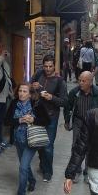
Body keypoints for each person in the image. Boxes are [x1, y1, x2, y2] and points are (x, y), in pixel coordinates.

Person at [5, 81, 50, 195]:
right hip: (18, 140)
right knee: (24, 166)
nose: (21, 93)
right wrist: (19, 120)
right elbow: (7, 121)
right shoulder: (14, 103)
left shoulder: (36, 104)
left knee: (23, 167)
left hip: (31, 141)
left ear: (30, 94)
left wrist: (33, 119)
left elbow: (47, 120)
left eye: (25, 91)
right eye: (20, 91)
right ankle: (32, 180)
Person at [31, 54, 67, 182]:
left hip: (52, 116)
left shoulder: (59, 81)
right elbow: (29, 88)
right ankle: (42, 165)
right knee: (40, 143)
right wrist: (33, 87)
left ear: (54, 66)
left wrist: (51, 98)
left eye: (50, 66)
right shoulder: (38, 74)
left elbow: (64, 101)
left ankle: (48, 172)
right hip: (38, 115)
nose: (47, 69)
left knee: (48, 145)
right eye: (45, 66)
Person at [64, 71, 98, 183]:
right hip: (78, 121)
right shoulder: (74, 92)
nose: (80, 83)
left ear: (90, 82)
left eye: (83, 81)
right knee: (76, 146)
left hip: (92, 124)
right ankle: (77, 171)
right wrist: (67, 121)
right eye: (80, 80)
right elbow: (67, 107)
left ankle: (87, 171)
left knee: (90, 148)